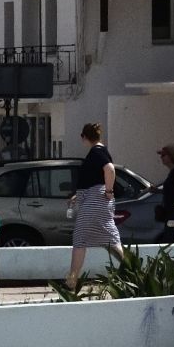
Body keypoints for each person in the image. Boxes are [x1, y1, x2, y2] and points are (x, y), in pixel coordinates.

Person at [67, 122, 123, 287]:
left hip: (95, 200)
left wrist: (109, 191)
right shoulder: (101, 151)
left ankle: (72, 280)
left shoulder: (96, 152)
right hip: (96, 199)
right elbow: (95, 178)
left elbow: (110, 170)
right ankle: (129, 271)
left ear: (85, 137)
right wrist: (79, 195)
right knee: (111, 238)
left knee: (80, 240)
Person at [152, 144, 174, 241]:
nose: (161, 158)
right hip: (170, 212)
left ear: (171, 156)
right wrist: (158, 191)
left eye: (164, 155)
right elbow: (171, 190)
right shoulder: (172, 172)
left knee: (171, 239)